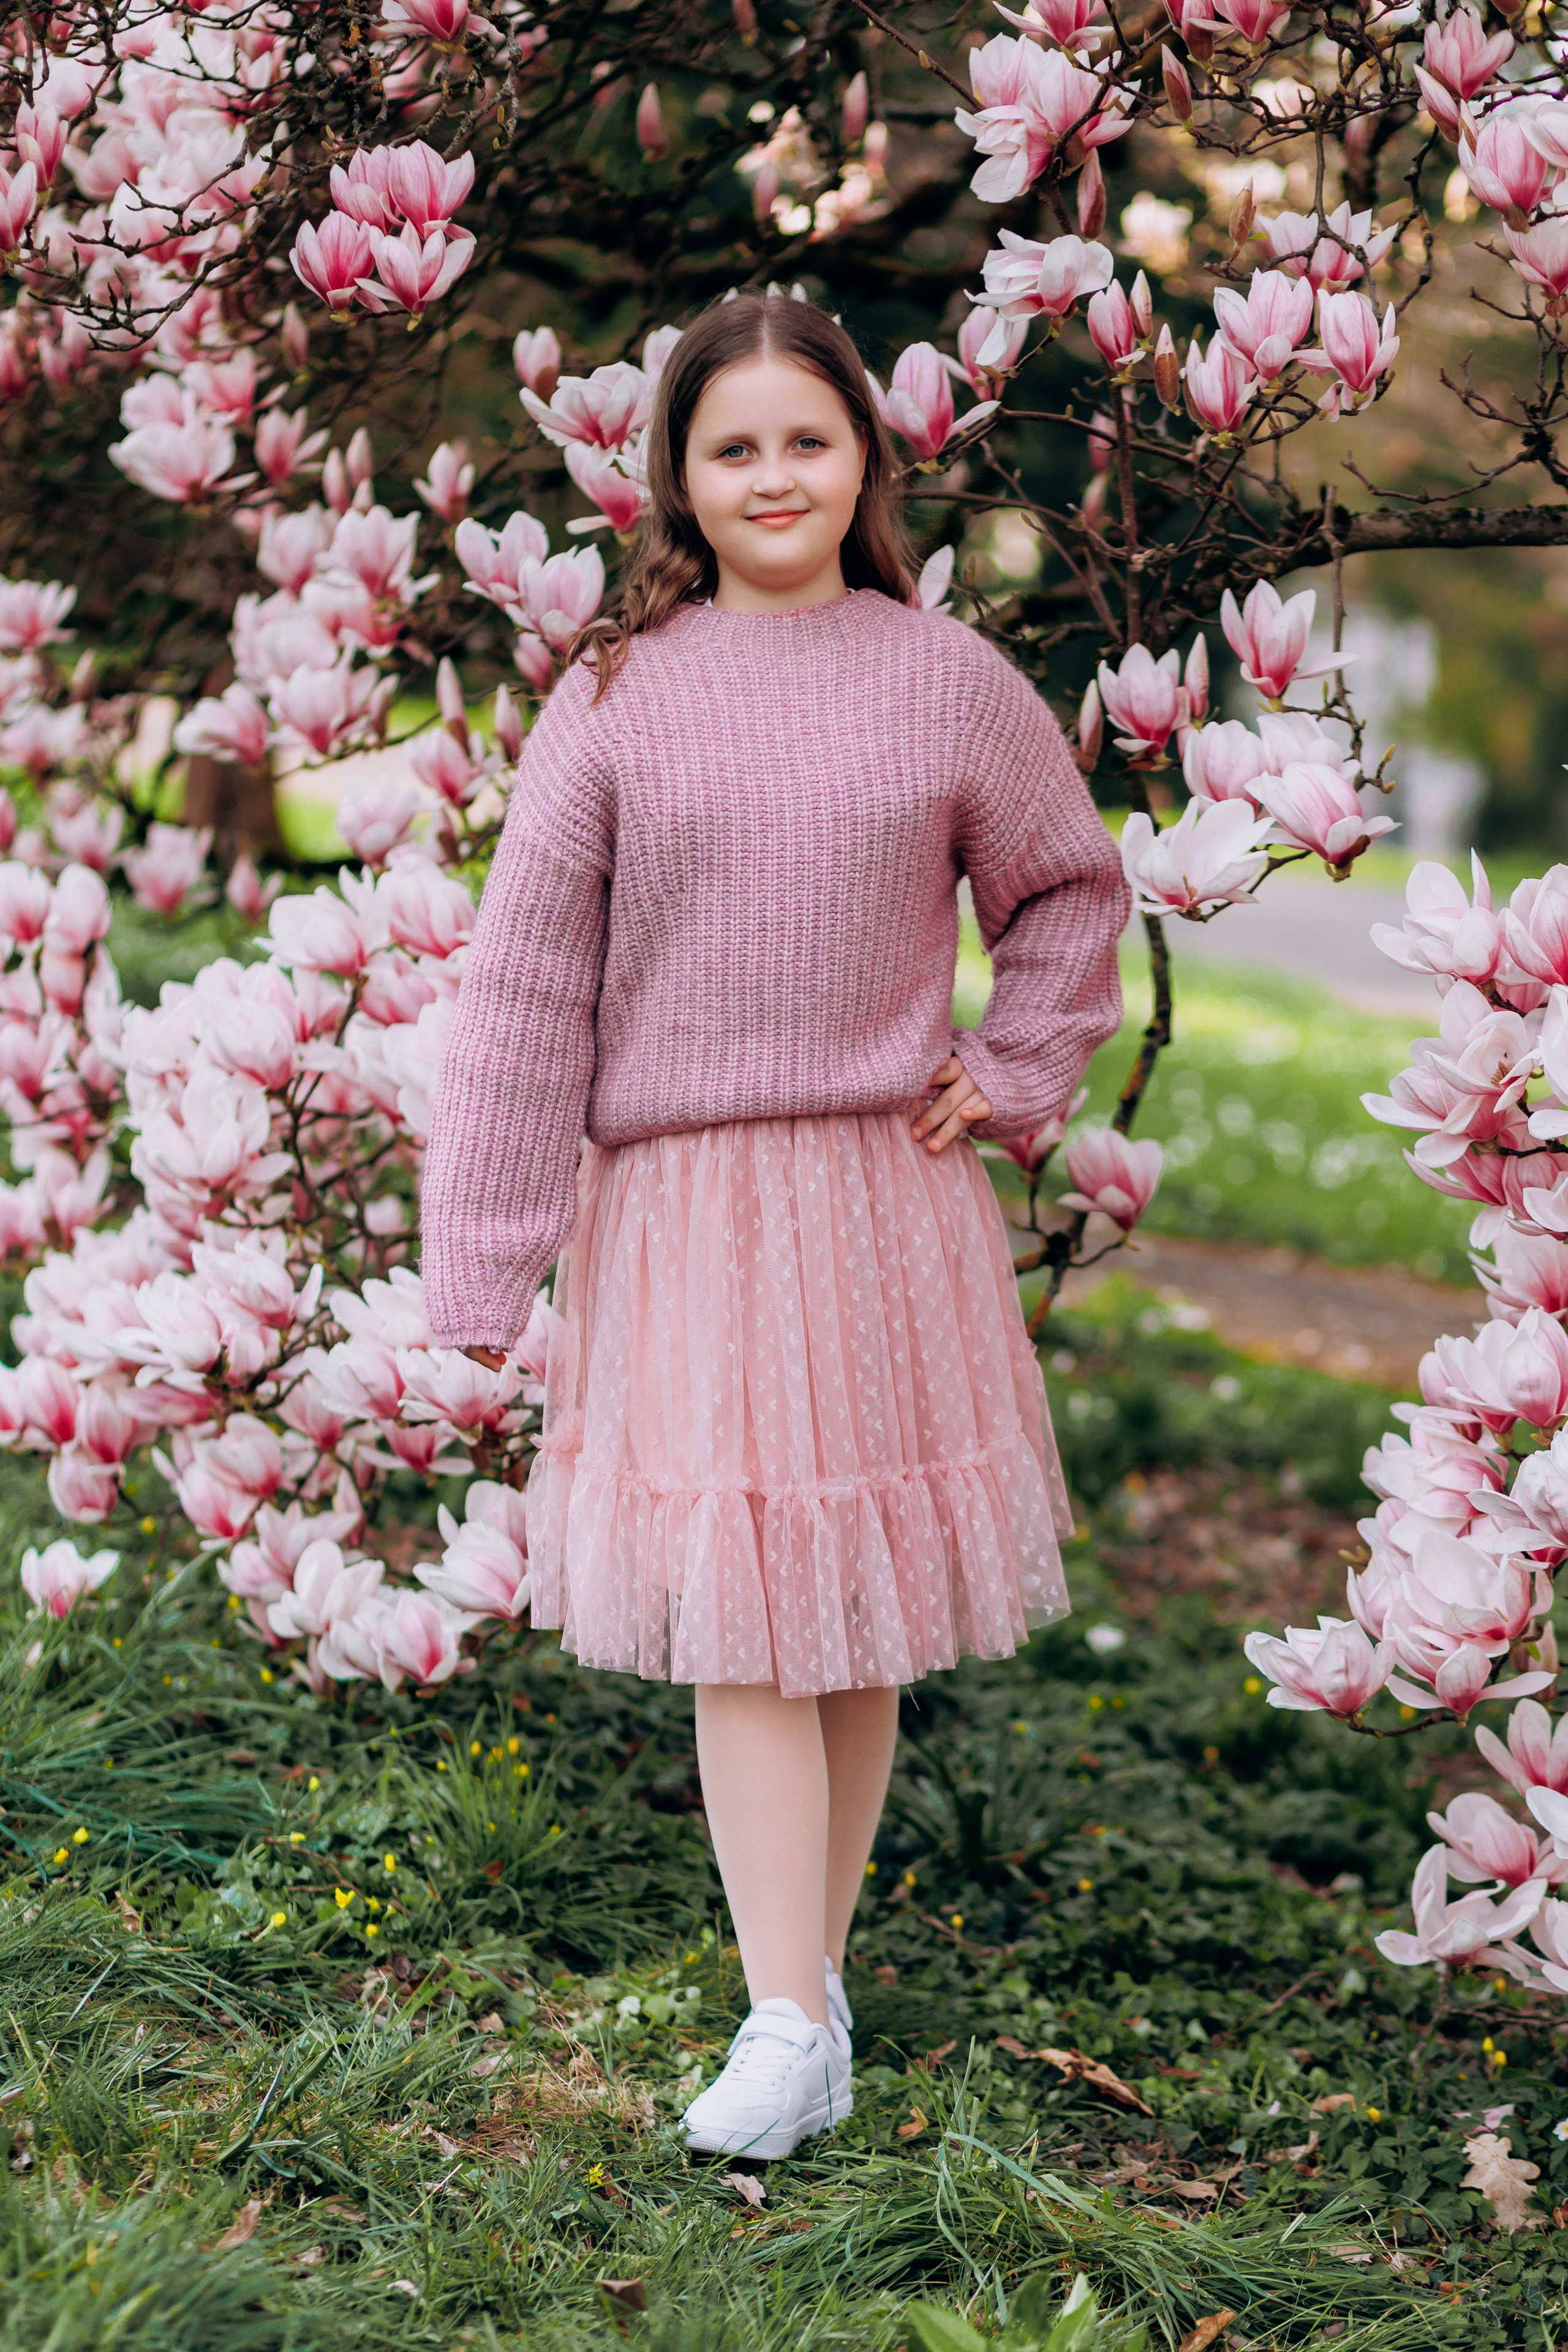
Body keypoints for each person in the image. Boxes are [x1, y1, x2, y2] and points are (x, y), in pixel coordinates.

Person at [420, 290, 1129, 2160]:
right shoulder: (616, 700)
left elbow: (1067, 888)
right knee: (752, 1614)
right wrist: (481, 1257)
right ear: (678, 480)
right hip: (685, 1201)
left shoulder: (944, 678)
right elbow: (523, 991)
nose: (773, 475)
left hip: (881, 1194)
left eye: (806, 441)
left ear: (864, 463)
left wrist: (1026, 1057)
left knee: (849, 1607)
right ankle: (783, 2012)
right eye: (732, 447)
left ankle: (807, 2003)